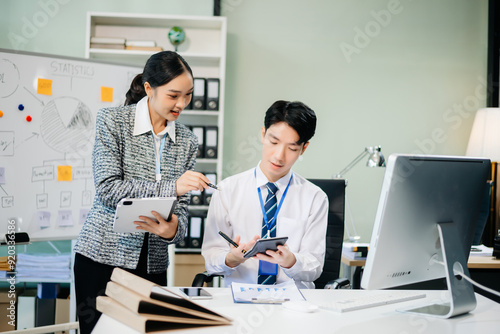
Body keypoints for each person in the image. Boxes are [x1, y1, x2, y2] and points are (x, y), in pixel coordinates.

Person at [73, 51, 211, 334]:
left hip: (153, 263)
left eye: (188, 95)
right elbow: (108, 188)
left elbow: (181, 211)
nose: (182, 104)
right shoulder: (112, 121)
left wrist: (174, 229)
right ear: (149, 88)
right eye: (174, 95)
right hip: (101, 258)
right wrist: (172, 186)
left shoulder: (187, 140)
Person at [202, 100, 328, 289]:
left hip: (293, 303)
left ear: (304, 148)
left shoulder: (315, 198)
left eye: (292, 148)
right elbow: (211, 259)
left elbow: (315, 267)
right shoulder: (227, 190)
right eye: (273, 142)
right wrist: (231, 259)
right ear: (263, 134)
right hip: (239, 297)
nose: (279, 155)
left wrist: (291, 261)